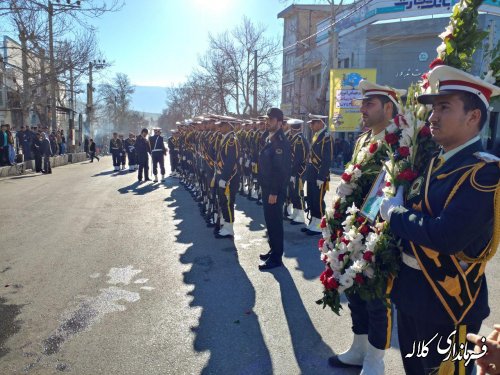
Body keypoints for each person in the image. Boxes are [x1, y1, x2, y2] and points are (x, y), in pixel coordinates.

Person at [380, 65, 500, 375]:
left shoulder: (483, 173)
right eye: (433, 108)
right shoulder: (434, 161)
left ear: (473, 117)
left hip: (449, 305)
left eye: (444, 107)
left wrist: (395, 214)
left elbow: (447, 235)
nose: (432, 116)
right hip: (411, 294)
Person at [328, 80, 406, 374]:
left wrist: (367, 231)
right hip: (351, 230)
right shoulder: (362, 140)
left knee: (376, 297)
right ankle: (359, 348)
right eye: (363, 103)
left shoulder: (399, 143)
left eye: (369, 103)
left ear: (388, 107)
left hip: (377, 232)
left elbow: (392, 189)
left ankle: (375, 360)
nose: (362, 108)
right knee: (355, 291)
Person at [257, 107, 291, 270]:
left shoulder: (281, 142)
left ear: (279, 122)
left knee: (275, 223)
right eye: (267, 119)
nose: (267, 122)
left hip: (274, 190)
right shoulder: (269, 137)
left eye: (270, 120)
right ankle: (273, 249)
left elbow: (280, 170)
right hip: (267, 187)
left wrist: (273, 192)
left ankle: (277, 258)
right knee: (270, 223)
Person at [303, 114, 333, 235]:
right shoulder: (316, 135)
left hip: (319, 174)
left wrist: (322, 176)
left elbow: (327, 159)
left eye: (313, 123)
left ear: (320, 123)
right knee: (310, 198)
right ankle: (314, 223)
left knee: (318, 200)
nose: (310, 126)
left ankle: (320, 225)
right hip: (311, 173)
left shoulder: (326, 137)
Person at [214, 117, 239, 239]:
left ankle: (229, 228)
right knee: (223, 201)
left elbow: (230, 161)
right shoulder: (225, 139)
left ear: (229, 126)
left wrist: (224, 178)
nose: (219, 127)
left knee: (228, 202)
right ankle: (225, 224)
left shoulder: (231, 140)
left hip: (229, 177)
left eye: (222, 125)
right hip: (222, 174)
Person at [287, 118, 309, 225]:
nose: (292, 130)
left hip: (299, 172)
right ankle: (296, 212)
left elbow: (298, 160)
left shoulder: (299, 140)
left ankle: (300, 216)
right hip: (294, 171)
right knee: (293, 193)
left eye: (293, 128)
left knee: (298, 193)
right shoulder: (295, 139)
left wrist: (293, 174)